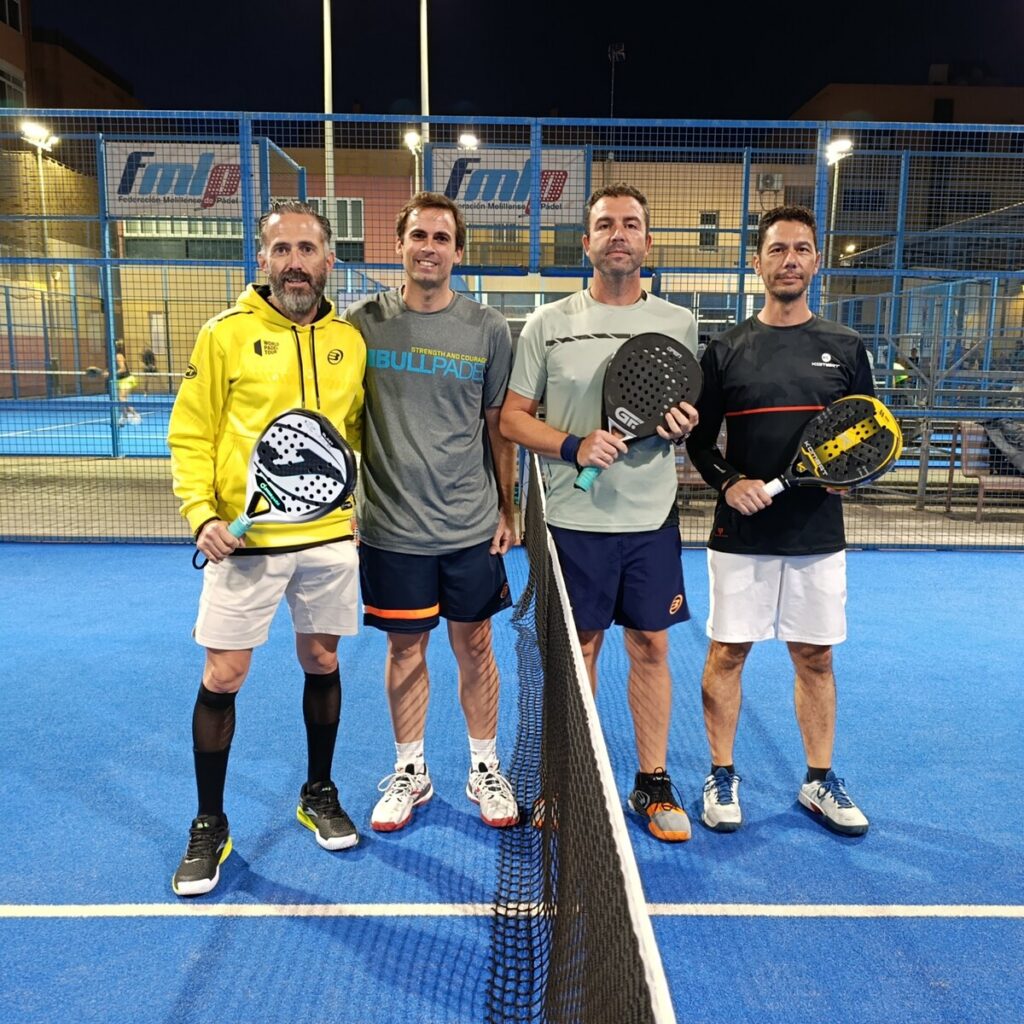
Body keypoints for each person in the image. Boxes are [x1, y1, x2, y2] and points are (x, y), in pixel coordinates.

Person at [166, 202, 366, 896]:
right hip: (245, 544)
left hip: (329, 539)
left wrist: (354, 506)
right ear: (262, 260)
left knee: (322, 660)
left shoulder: (350, 341)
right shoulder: (224, 333)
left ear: (328, 260)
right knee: (224, 676)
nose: (294, 263)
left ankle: (318, 791)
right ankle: (210, 822)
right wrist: (201, 515)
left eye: (307, 249)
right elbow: (191, 432)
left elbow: (352, 436)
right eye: (281, 249)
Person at [500, 183, 700, 843]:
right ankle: (568, 779)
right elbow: (512, 419)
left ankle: (653, 782)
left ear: (648, 242)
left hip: (651, 521)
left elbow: (679, 407)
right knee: (579, 648)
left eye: (631, 224)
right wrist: (573, 446)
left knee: (652, 645)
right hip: (572, 521)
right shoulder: (546, 323)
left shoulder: (679, 323)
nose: (619, 234)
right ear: (586, 242)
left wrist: (682, 424)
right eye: (606, 224)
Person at [685, 204, 874, 838]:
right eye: (777, 250)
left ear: (816, 261)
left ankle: (819, 780)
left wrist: (849, 477)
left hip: (816, 534)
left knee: (815, 658)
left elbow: (867, 434)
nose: (789, 260)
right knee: (728, 652)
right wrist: (729, 482)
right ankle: (720, 774)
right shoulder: (725, 349)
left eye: (801, 249)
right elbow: (699, 442)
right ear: (757, 262)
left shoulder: (846, 348)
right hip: (741, 536)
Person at [343, 192, 519, 833]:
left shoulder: (488, 329)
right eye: (419, 235)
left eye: (442, 238)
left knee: (476, 646)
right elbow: (341, 417)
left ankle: (484, 766)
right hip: (391, 528)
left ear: (458, 252)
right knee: (405, 649)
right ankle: (410, 770)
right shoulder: (361, 325)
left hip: (469, 525)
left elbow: (498, 427)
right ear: (399, 245)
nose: (429, 247)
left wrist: (509, 508)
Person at [114, 341, 141, 425]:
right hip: (121, 380)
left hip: (126, 380)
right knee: (122, 399)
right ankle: (125, 416)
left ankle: (135, 415)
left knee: (122, 399)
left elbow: (123, 369)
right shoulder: (114, 356)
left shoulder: (118, 356)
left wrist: (113, 373)